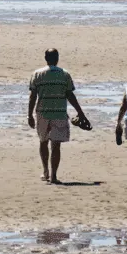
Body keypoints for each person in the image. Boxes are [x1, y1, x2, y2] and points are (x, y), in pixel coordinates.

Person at [27, 48, 89, 184]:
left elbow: (33, 96)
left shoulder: (37, 74)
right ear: (57, 58)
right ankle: (54, 175)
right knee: (56, 145)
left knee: (43, 142)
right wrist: (80, 112)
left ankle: (46, 172)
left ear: (45, 58)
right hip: (59, 113)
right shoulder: (64, 74)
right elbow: (70, 95)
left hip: (42, 113)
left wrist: (29, 115)